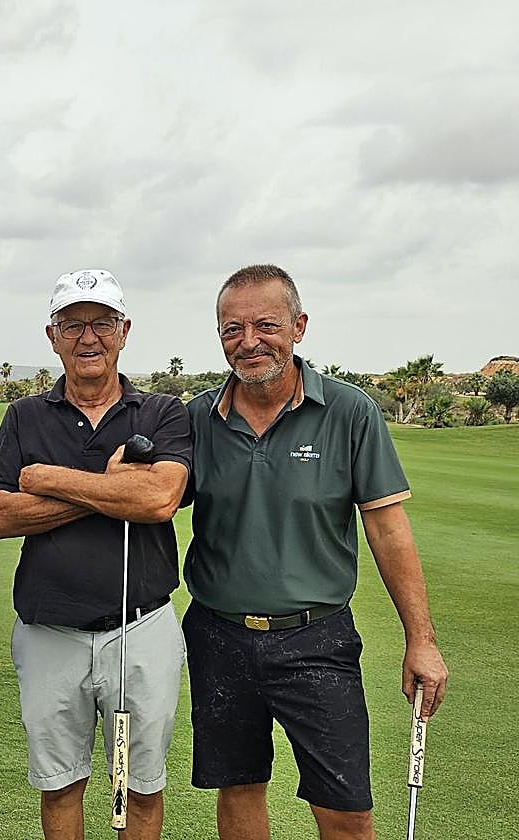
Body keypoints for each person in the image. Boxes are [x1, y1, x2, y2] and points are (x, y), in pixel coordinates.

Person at [182, 264, 449, 840]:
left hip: (317, 637)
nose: (248, 342)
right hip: (218, 635)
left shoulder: (350, 412)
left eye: (266, 325)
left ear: (299, 326)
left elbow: (387, 529)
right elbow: (152, 502)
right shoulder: (196, 418)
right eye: (232, 329)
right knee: (239, 788)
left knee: (346, 809)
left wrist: (420, 640)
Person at [0, 269, 192, 840]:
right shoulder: (25, 416)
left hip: (139, 630)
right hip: (50, 632)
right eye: (73, 324)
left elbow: (158, 499)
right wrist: (109, 487)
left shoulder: (162, 412)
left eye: (101, 323)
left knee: (141, 786)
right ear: (53, 336)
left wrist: (52, 480)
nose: (88, 337)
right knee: (61, 785)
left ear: (124, 331)